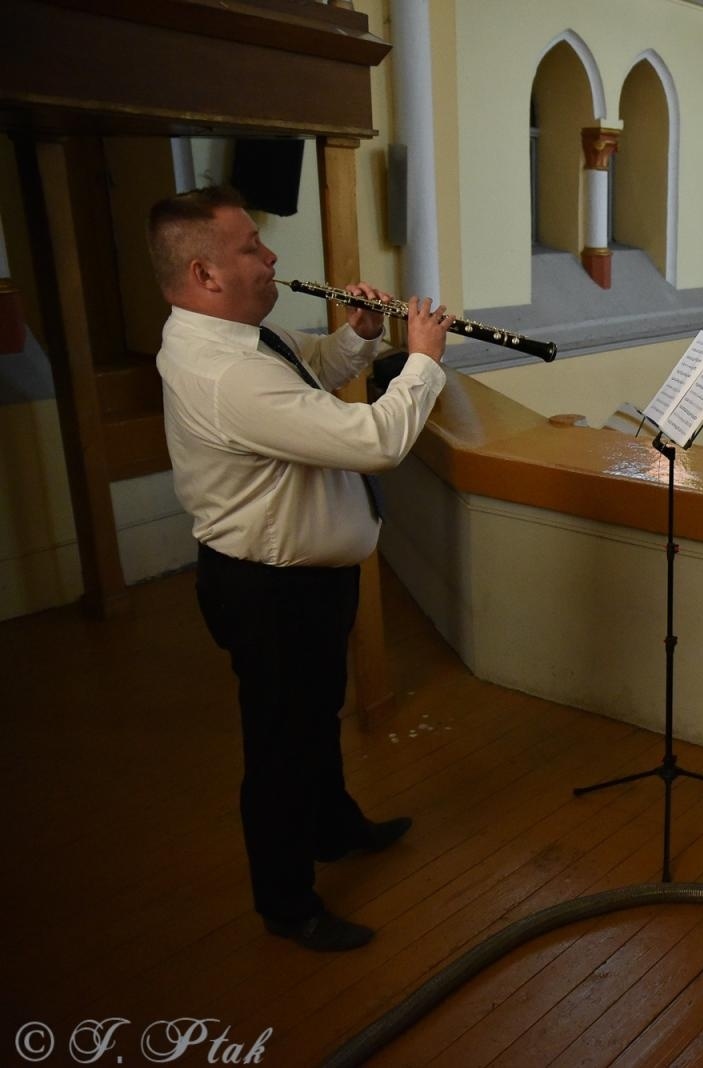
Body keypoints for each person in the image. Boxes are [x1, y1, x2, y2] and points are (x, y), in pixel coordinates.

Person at [149, 186, 452, 952]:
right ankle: (287, 903)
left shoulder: (235, 337)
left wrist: (356, 334)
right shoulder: (223, 373)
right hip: (270, 589)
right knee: (280, 747)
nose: (272, 256)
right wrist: (420, 362)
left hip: (302, 578)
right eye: (251, 245)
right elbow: (375, 440)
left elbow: (305, 371)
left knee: (314, 715)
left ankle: (334, 827)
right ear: (205, 273)